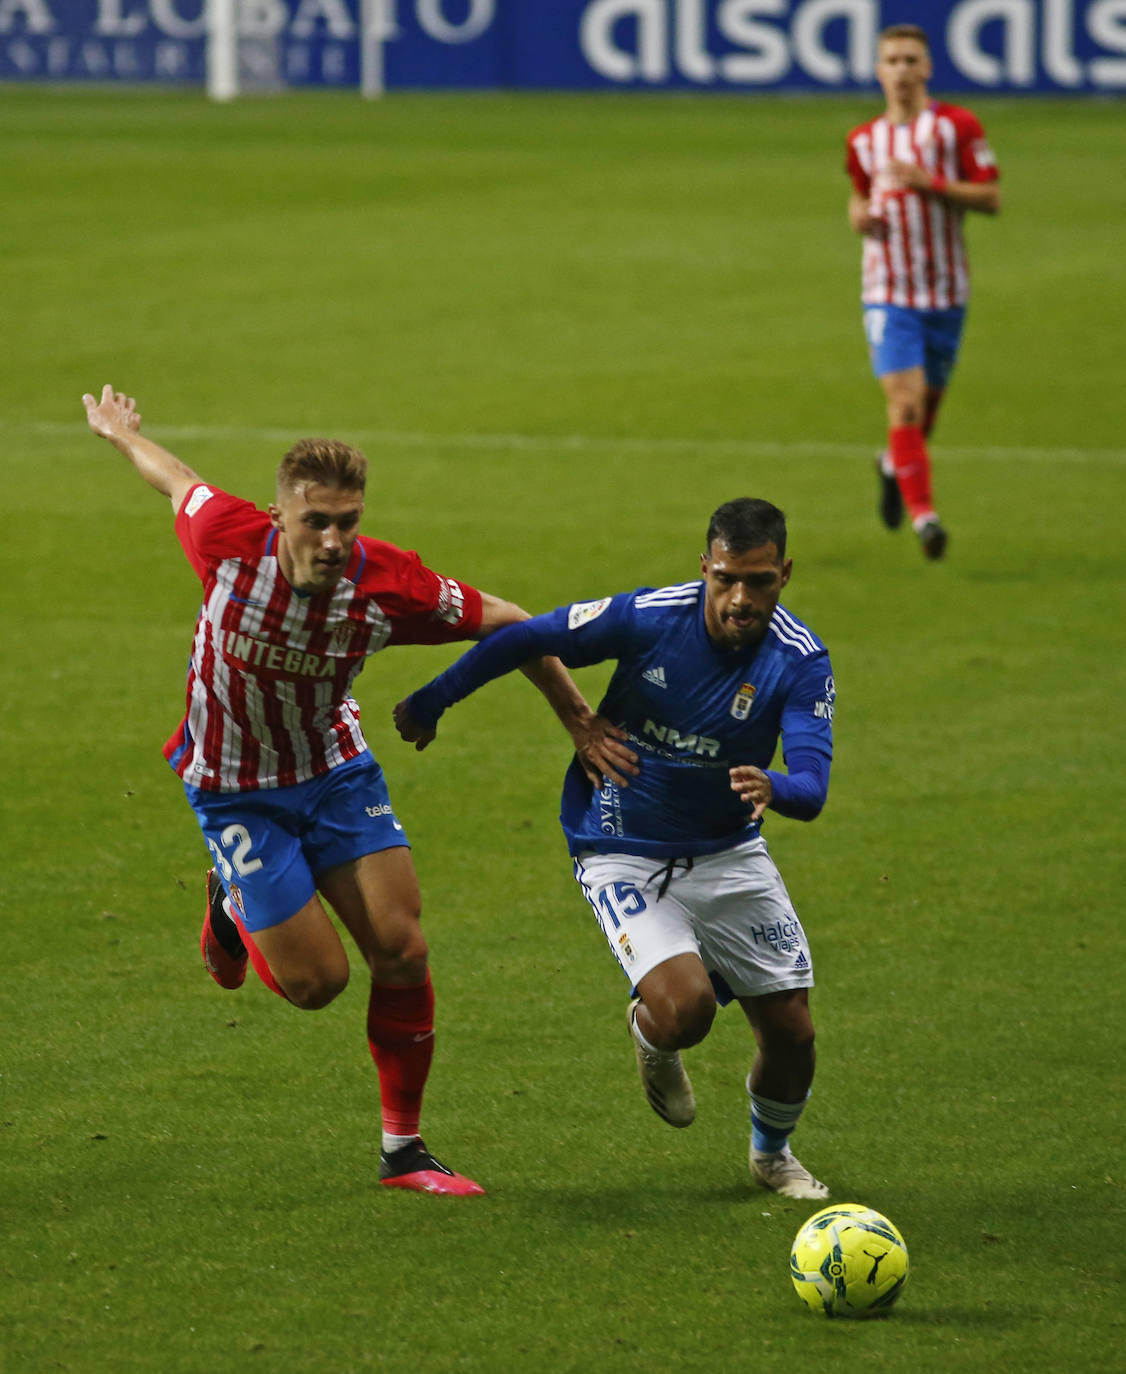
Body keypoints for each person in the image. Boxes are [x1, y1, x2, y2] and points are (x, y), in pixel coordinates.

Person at [82, 383, 631, 1197]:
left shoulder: (388, 585)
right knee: (317, 986)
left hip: (335, 773)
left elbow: (516, 622)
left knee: (403, 950)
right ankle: (233, 904)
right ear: (278, 518)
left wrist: (580, 721)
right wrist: (123, 433)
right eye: (317, 522)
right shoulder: (225, 539)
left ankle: (403, 1152)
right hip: (234, 789)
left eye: (348, 521)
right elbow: (174, 477)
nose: (335, 540)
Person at [394, 498, 835, 1200]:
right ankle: (650, 1032)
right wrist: (433, 700)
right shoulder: (653, 616)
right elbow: (523, 637)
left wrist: (775, 785)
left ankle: (771, 1155)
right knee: (684, 1011)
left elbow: (812, 786)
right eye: (726, 579)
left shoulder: (800, 660)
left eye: (759, 581)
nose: (740, 599)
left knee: (794, 1036)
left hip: (727, 850)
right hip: (622, 841)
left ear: (785, 573)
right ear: (704, 569)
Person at [845, 23, 1001, 559]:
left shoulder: (955, 127)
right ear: (878, 71)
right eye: (892, 60)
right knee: (905, 404)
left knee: (924, 409)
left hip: (946, 292)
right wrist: (859, 217)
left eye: (912, 60)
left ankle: (894, 466)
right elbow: (859, 197)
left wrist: (929, 184)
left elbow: (991, 197)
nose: (903, 70)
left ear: (928, 68)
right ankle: (926, 519)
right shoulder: (863, 140)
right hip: (887, 291)